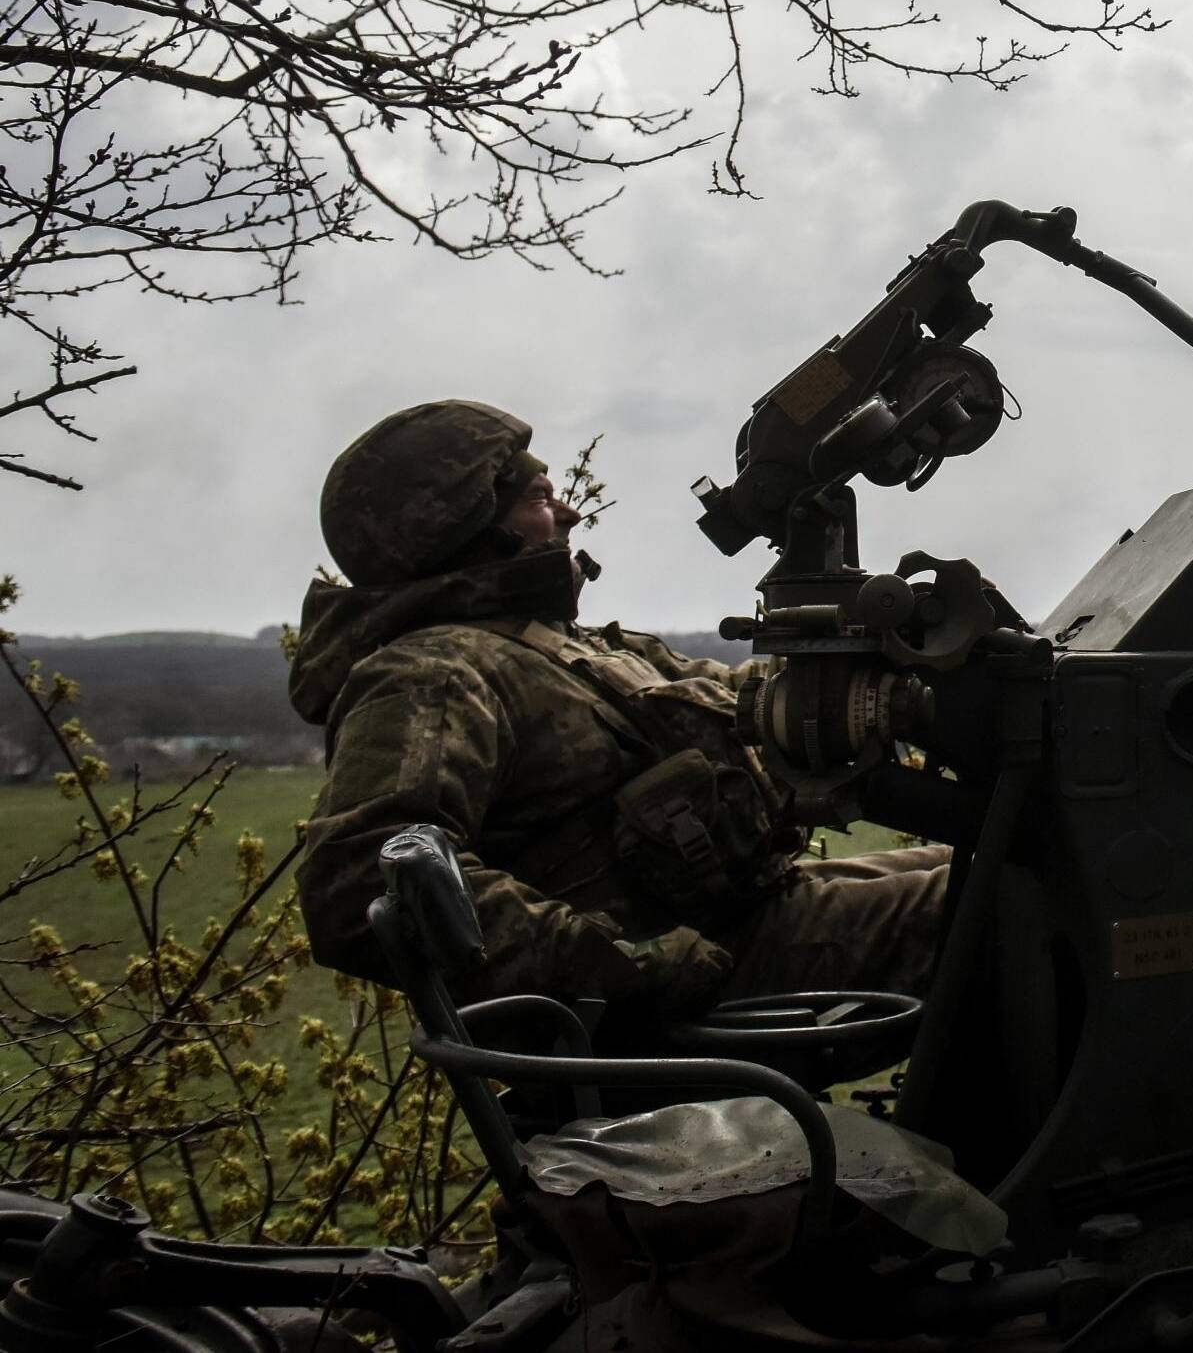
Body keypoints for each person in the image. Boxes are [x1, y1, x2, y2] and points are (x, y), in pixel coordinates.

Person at [292, 399, 953, 1015]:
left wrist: (897, 659)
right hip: (687, 989)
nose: (569, 516)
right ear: (470, 531)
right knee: (1011, 899)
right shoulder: (434, 672)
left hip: (750, 916)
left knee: (1005, 860)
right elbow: (360, 879)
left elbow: (745, 701)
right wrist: (617, 966)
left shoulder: (553, 647)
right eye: (539, 499)